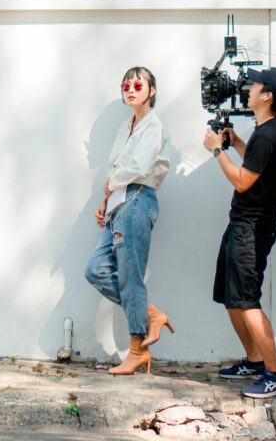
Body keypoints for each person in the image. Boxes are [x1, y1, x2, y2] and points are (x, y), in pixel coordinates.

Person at [204, 68, 276, 399]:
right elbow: (255, 166)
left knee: (246, 300)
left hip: (252, 228)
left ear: (267, 95)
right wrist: (237, 142)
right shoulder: (266, 130)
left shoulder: (271, 133)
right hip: (242, 222)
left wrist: (217, 150)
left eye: (254, 84)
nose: (247, 88)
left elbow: (243, 180)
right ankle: (255, 362)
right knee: (232, 297)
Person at [85, 66, 171, 375]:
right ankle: (150, 315)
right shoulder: (126, 126)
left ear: (152, 91)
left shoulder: (153, 125)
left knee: (130, 276)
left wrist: (112, 186)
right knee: (95, 270)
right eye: (126, 85)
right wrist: (104, 201)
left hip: (136, 200)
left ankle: (137, 351)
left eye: (138, 84)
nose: (131, 90)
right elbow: (115, 169)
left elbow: (139, 166)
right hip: (119, 203)